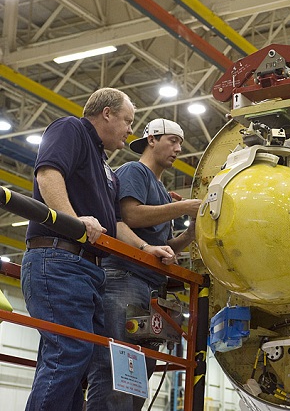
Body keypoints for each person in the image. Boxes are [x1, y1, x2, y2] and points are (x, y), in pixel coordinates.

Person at [21, 88, 175, 411]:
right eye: (127, 120)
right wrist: (75, 221)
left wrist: (148, 247)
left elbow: (115, 223)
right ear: (106, 113)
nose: (131, 130)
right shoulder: (70, 129)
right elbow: (48, 174)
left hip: (87, 269)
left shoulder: (106, 168)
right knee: (71, 351)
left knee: (78, 358)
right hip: (59, 258)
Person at [87, 118, 201, 410]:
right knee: (116, 371)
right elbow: (130, 217)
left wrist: (189, 234)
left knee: (137, 377)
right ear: (152, 139)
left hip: (148, 286)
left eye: (180, 143)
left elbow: (162, 247)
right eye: (172, 140)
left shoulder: (161, 191)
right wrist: (184, 206)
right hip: (125, 277)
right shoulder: (134, 171)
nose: (178, 149)